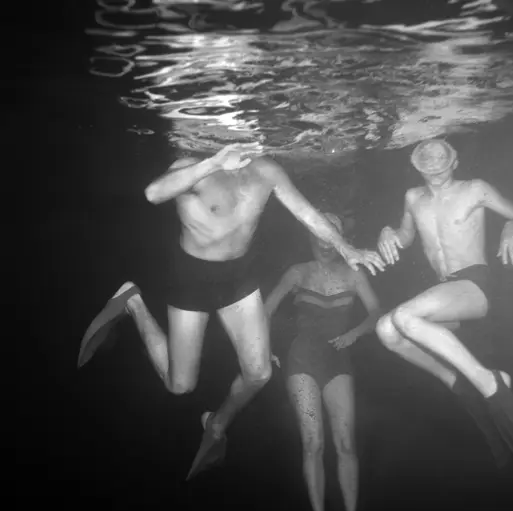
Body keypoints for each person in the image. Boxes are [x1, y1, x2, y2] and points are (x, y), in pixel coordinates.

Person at [77, 145, 385, 480]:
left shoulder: (266, 170)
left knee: (259, 373)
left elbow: (308, 214)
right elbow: (154, 193)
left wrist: (346, 247)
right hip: (191, 277)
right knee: (180, 385)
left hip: (240, 277)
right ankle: (132, 301)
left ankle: (216, 424)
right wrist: (213, 163)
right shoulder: (192, 166)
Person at [375, 138, 513, 478]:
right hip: (447, 290)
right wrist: (387, 233)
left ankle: (489, 381)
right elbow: (404, 237)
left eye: (440, 153)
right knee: (387, 330)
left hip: (476, 284)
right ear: (415, 162)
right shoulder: (412, 197)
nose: (432, 159)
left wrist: (512, 225)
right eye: (425, 154)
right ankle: (454, 380)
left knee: (406, 316)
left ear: (454, 160)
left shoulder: (476, 189)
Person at [265, 213, 381, 511]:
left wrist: (355, 333)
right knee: (313, 442)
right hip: (301, 361)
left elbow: (377, 312)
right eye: (319, 234)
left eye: (333, 236)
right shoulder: (297, 272)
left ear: (341, 239)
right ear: (310, 236)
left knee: (345, 443)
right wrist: (261, 349)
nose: (325, 242)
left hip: (338, 362)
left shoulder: (355, 274)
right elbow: (265, 310)